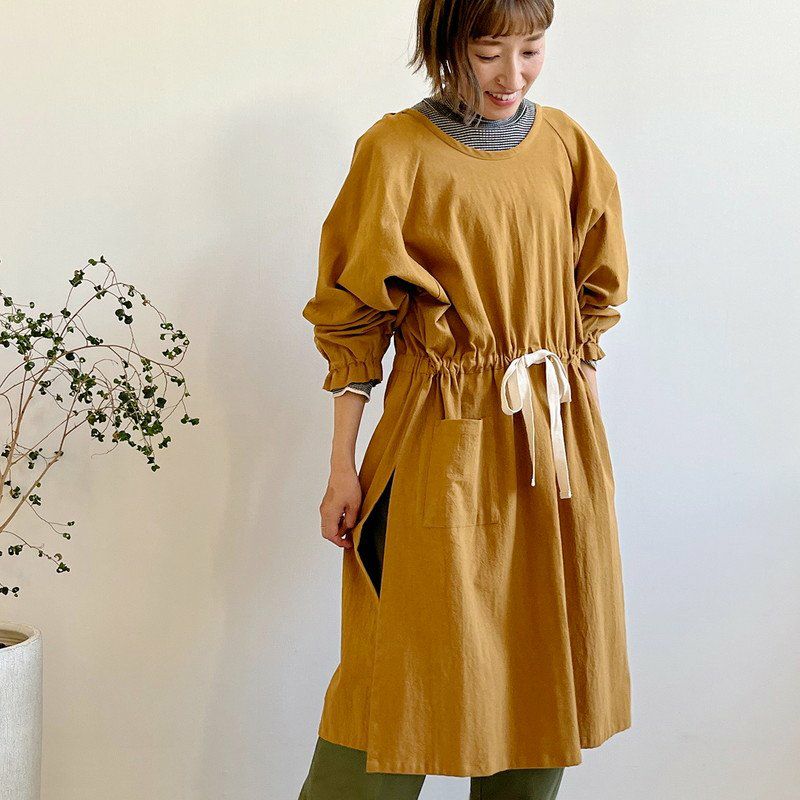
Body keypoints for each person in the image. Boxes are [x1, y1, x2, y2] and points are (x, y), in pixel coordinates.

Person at [299, 1, 631, 797]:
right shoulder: (395, 151)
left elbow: (592, 303)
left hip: (552, 447)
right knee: (398, 670)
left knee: (540, 659)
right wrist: (342, 466)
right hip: (436, 440)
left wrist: (583, 429)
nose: (512, 76)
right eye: (488, 52)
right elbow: (355, 318)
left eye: (532, 50)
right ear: (445, 43)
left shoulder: (568, 147)